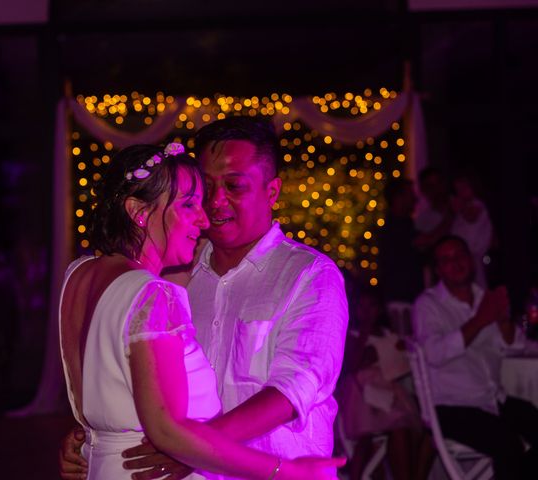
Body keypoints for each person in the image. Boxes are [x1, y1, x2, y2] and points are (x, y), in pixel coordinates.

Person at [59, 117, 349, 480]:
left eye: (234, 186)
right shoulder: (168, 276)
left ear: (271, 192)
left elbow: (294, 389)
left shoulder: (308, 274)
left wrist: (191, 447)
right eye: (204, 187)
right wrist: (94, 438)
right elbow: (125, 376)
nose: (214, 201)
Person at [413, 234, 538, 479]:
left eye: (460, 255)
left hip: (493, 398)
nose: (456, 262)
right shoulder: (428, 305)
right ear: (438, 269)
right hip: (452, 406)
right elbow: (433, 354)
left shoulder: (484, 297)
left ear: (470, 260)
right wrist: (480, 320)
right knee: (507, 445)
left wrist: (503, 322)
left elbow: (514, 345)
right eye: (447, 259)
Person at [338, 287, 433, 480]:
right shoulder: (353, 335)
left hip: (388, 392)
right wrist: (364, 335)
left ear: (379, 309)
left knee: (405, 425)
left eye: (371, 306)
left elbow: (401, 364)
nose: (367, 312)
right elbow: (351, 366)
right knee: (367, 439)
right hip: (362, 397)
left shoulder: (389, 335)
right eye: (362, 307)